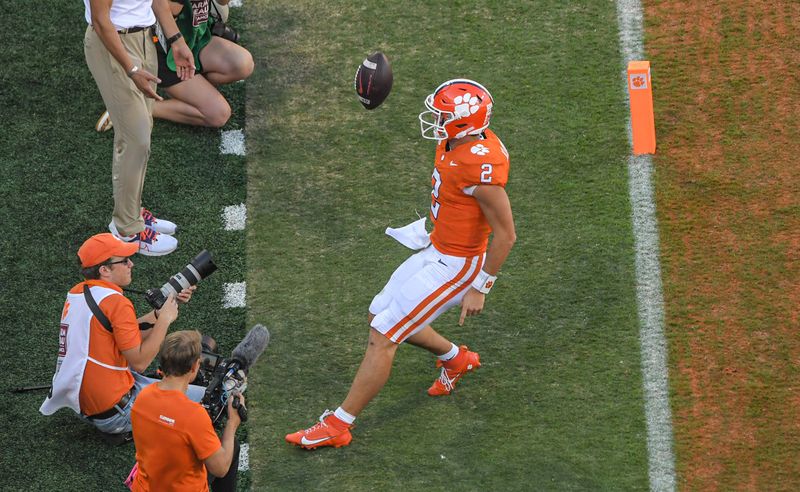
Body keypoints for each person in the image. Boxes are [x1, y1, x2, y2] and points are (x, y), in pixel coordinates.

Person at [285, 79, 516, 449]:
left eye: (443, 114)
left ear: (465, 121)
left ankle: (338, 424)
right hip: (438, 248)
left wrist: (481, 286)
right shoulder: (456, 142)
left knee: (383, 336)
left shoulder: (481, 167)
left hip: (458, 264)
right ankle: (454, 358)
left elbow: (506, 234)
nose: (436, 119)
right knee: (379, 315)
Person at [40, 233, 204, 435]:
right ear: (104, 270)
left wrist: (162, 310)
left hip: (90, 404)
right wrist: (164, 320)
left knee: (184, 387)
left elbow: (125, 333)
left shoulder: (78, 292)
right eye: (125, 261)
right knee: (208, 402)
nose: (131, 265)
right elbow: (140, 362)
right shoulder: (116, 302)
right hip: (119, 412)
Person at [84, 0, 195, 255]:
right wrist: (132, 69)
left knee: (141, 133)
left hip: (144, 38)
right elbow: (102, 21)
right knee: (136, 139)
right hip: (113, 46)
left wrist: (176, 40)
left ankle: (133, 212)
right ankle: (127, 229)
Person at [96, 0, 253, 130]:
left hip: (192, 38)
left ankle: (194, 88)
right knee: (218, 114)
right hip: (166, 51)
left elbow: (222, 2)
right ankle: (135, 108)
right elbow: (164, 7)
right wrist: (177, 41)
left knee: (242, 63)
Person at [130, 331, 242, 492]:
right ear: (195, 366)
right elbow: (220, 468)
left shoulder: (142, 397)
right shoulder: (193, 416)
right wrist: (233, 423)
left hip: (146, 486)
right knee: (231, 447)